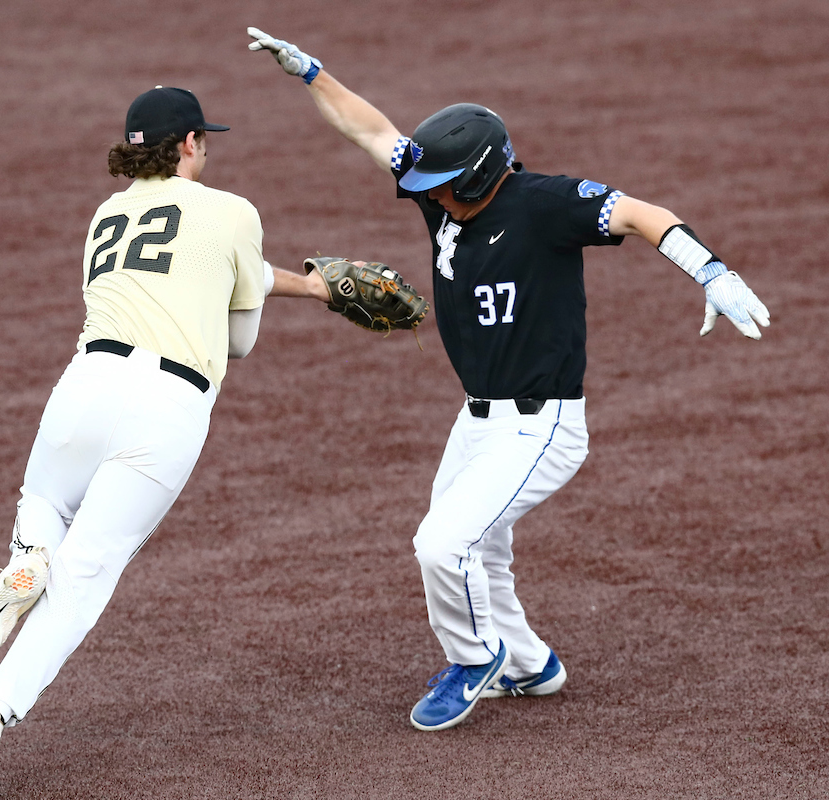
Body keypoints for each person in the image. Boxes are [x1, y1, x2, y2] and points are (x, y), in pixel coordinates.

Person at [246, 28, 770, 732]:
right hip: (478, 420)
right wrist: (310, 72)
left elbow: (647, 216)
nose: (423, 196)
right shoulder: (442, 194)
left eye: (437, 187)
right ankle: (528, 665)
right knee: (481, 552)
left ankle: (473, 661)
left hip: (542, 423)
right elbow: (371, 131)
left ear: (478, 176)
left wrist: (710, 270)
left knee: (441, 544)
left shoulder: (546, 204)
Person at [0, 86, 328, 798]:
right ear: (188, 143)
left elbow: (189, 267)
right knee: (86, 578)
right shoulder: (235, 211)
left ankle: (29, 554)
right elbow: (237, 340)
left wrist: (309, 288)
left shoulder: (106, 213)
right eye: (204, 138)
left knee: (43, 498)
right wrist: (295, 291)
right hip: (168, 407)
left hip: (86, 383)